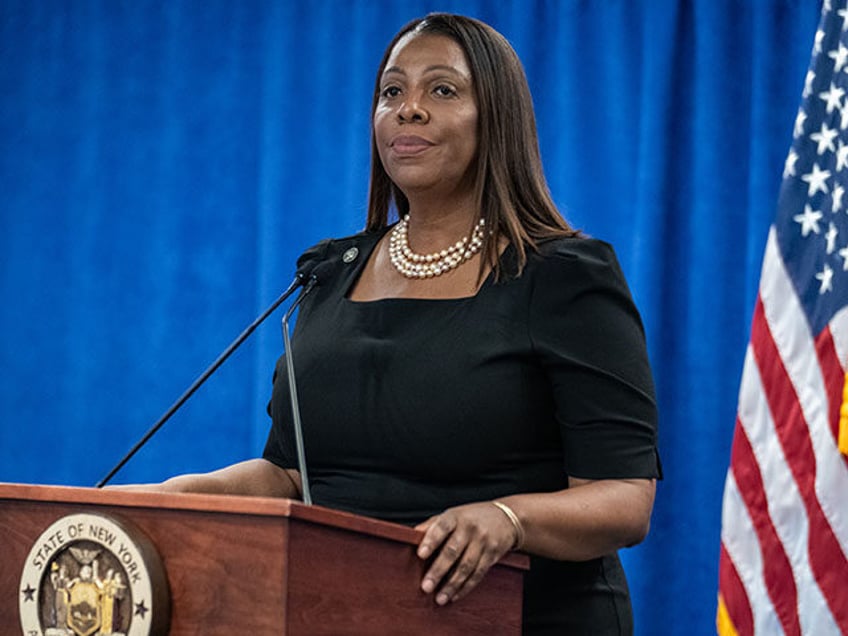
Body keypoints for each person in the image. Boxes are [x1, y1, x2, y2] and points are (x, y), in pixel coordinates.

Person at [124, 13, 661, 634]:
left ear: (498, 119)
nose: (408, 110)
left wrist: (507, 519)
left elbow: (625, 499)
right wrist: (170, 499)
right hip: (344, 613)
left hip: (525, 617)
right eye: (391, 92)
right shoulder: (330, 273)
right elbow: (291, 476)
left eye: (442, 89)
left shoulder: (563, 276)